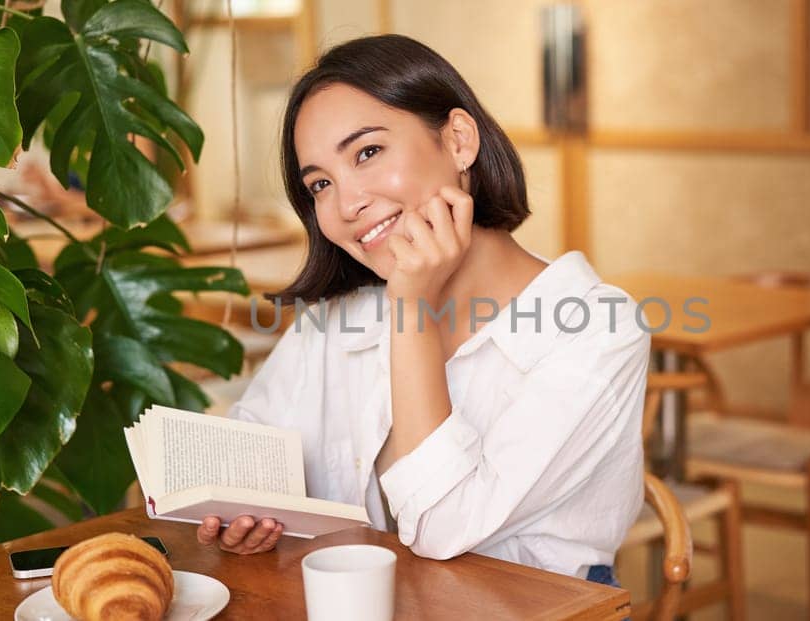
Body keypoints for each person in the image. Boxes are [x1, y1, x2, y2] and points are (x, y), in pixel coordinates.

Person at [194, 34, 649, 585]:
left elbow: (441, 528)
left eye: (367, 152)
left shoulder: (597, 330)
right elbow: (252, 441)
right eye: (320, 184)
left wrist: (411, 306)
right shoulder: (340, 316)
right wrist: (249, 513)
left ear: (458, 141)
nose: (346, 205)